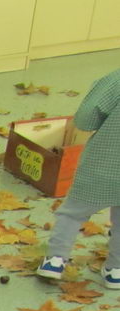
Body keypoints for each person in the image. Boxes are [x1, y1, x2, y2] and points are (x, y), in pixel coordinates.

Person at [37, 67, 120, 289]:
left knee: (72, 214)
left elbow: (86, 119)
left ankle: (55, 261)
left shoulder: (115, 80)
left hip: (105, 165)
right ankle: (116, 271)